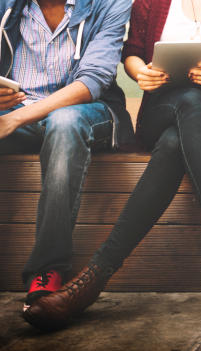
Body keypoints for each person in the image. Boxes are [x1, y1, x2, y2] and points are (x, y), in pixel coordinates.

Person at [22, 0, 201, 331]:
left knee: (174, 140)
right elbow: (132, 52)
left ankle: (92, 281)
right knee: (186, 103)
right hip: (163, 105)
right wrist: (142, 73)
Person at [0, 0, 133, 314]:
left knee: (64, 122)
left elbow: (92, 81)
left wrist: (16, 119)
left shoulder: (110, 4)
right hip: (16, 110)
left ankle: (48, 268)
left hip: (86, 113)